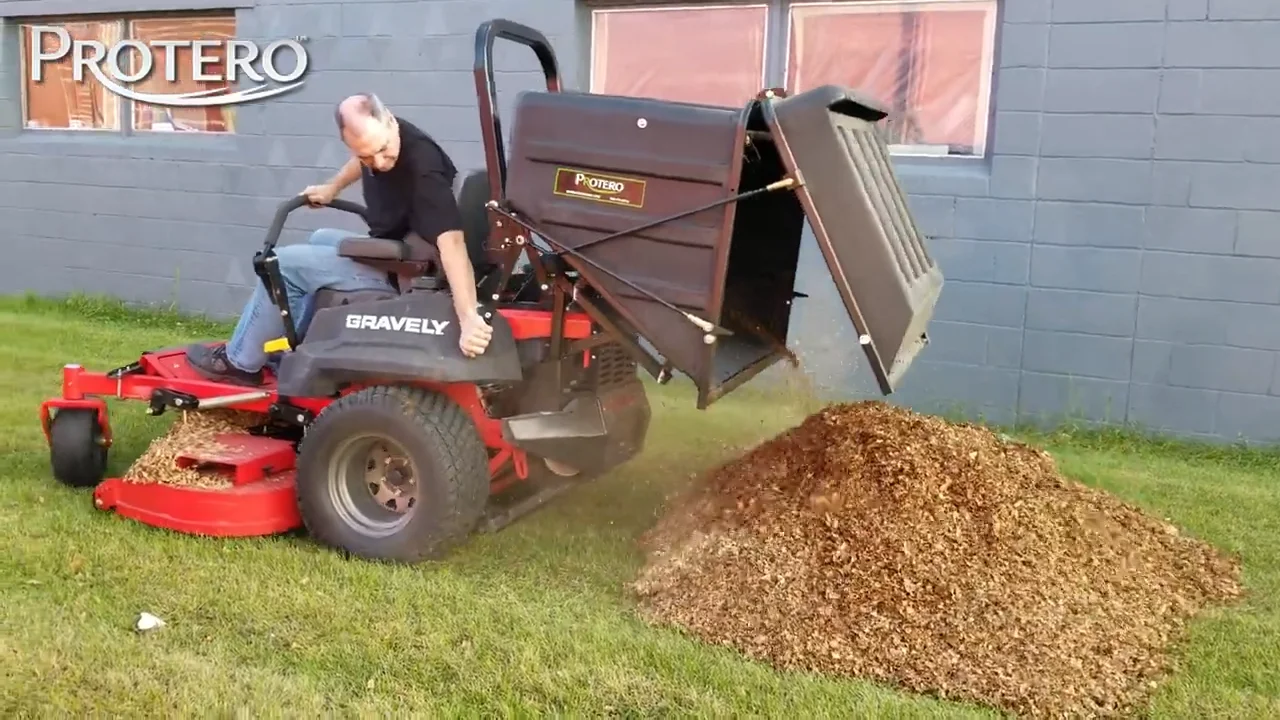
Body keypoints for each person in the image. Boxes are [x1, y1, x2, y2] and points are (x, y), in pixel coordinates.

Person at [186, 93, 494, 386]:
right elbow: (363, 160)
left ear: (388, 120)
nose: (380, 162)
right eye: (367, 156)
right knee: (321, 238)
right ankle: (294, 348)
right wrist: (332, 188)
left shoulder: (425, 171)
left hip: (408, 271)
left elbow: (452, 244)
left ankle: (241, 362)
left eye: (384, 151)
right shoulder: (385, 134)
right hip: (399, 248)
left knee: (283, 264)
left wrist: (468, 318)